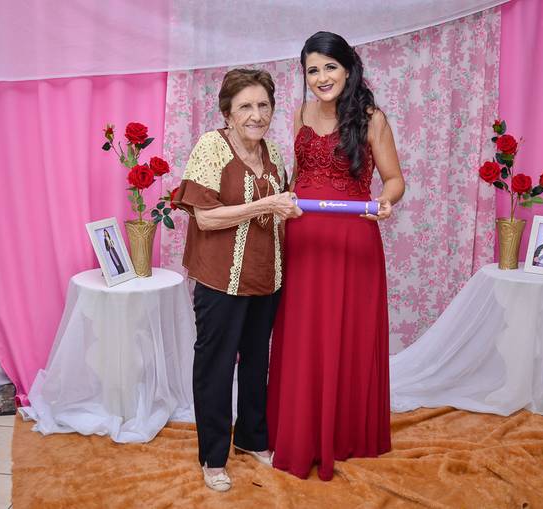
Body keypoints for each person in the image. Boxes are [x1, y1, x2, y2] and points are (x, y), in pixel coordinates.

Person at [267, 31, 405, 481]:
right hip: (303, 239)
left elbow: (394, 179)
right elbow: (298, 176)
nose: (321, 77)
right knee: (304, 335)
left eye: (330, 67)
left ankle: (343, 434)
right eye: (313, 70)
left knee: (346, 333)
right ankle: (300, 432)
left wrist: (386, 201)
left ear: (348, 69)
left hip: (352, 241)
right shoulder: (298, 113)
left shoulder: (371, 119)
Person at [172, 69, 302, 492]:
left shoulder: (274, 152)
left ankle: (251, 437)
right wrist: (265, 204)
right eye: (245, 106)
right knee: (215, 366)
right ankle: (213, 457)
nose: (256, 114)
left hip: (267, 277)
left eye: (263, 105)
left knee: (256, 363)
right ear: (227, 113)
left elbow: (281, 208)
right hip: (220, 281)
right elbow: (206, 218)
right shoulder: (211, 147)